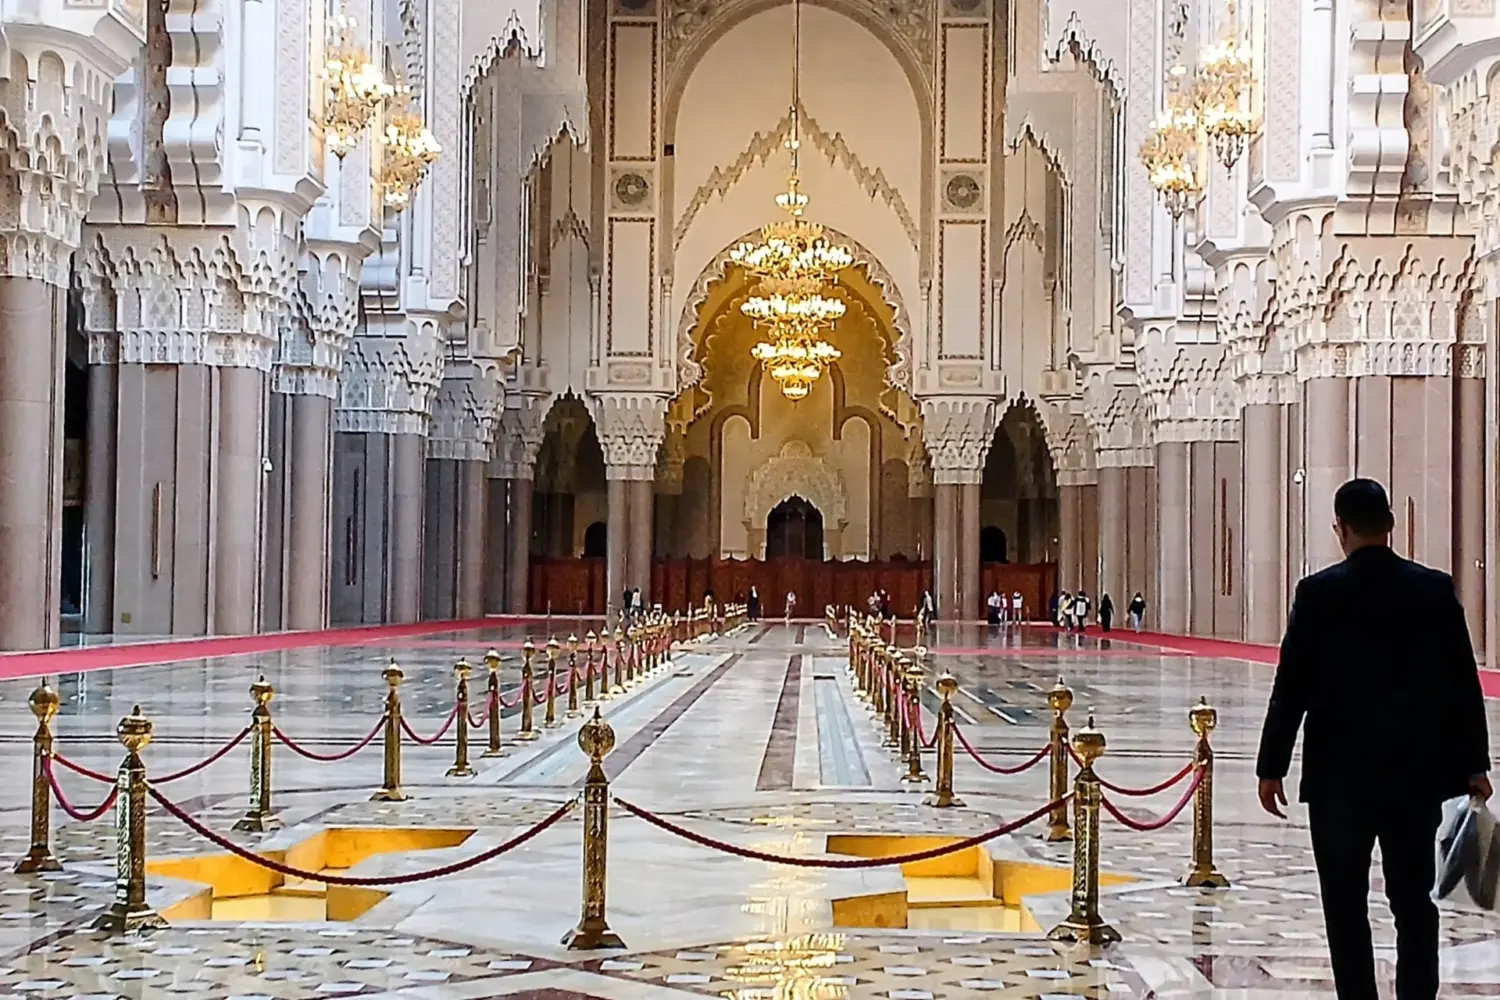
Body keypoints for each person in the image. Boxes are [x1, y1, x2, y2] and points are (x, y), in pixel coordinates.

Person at [1256, 479, 1492, 1000]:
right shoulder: (1433, 589)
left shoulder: (1318, 594)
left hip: (1340, 784)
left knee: (1344, 908)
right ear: (1390, 524)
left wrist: (1271, 765)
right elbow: (1462, 681)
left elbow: (1291, 684)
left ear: (1340, 529)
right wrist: (1476, 764)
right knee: (1415, 907)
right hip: (1417, 780)